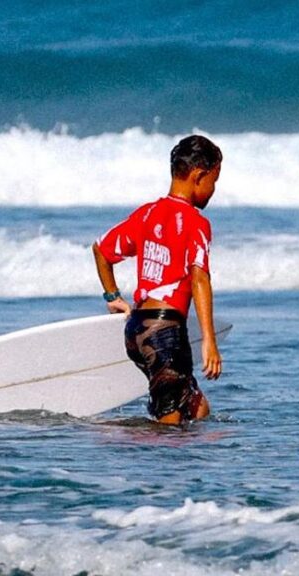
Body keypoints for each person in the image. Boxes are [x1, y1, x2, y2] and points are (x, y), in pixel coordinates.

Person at [92, 135, 224, 425]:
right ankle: (133, 456)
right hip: (165, 332)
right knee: (169, 431)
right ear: (199, 176)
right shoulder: (197, 222)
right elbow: (199, 279)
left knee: (197, 409)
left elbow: (101, 250)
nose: (214, 191)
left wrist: (112, 297)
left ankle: (146, 449)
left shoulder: (146, 214)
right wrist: (209, 341)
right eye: (214, 181)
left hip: (137, 330)